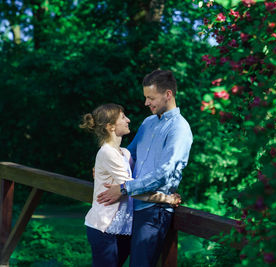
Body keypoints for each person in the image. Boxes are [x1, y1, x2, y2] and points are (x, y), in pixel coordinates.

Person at [97, 70, 193, 267]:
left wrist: (124, 188)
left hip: (153, 210)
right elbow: (129, 154)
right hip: (131, 206)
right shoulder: (148, 123)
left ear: (168, 94)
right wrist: (105, 161)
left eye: (151, 98)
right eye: (146, 98)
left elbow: (166, 173)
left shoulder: (180, 129)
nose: (146, 103)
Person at [80, 103, 181, 267]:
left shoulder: (125, 153)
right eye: (122, 117)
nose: (128, 120)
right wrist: (167, 199)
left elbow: (134, 184)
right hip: (104, 228)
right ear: (110, 127)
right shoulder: (107, 153)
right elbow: (133, 190)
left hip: (123, 229)